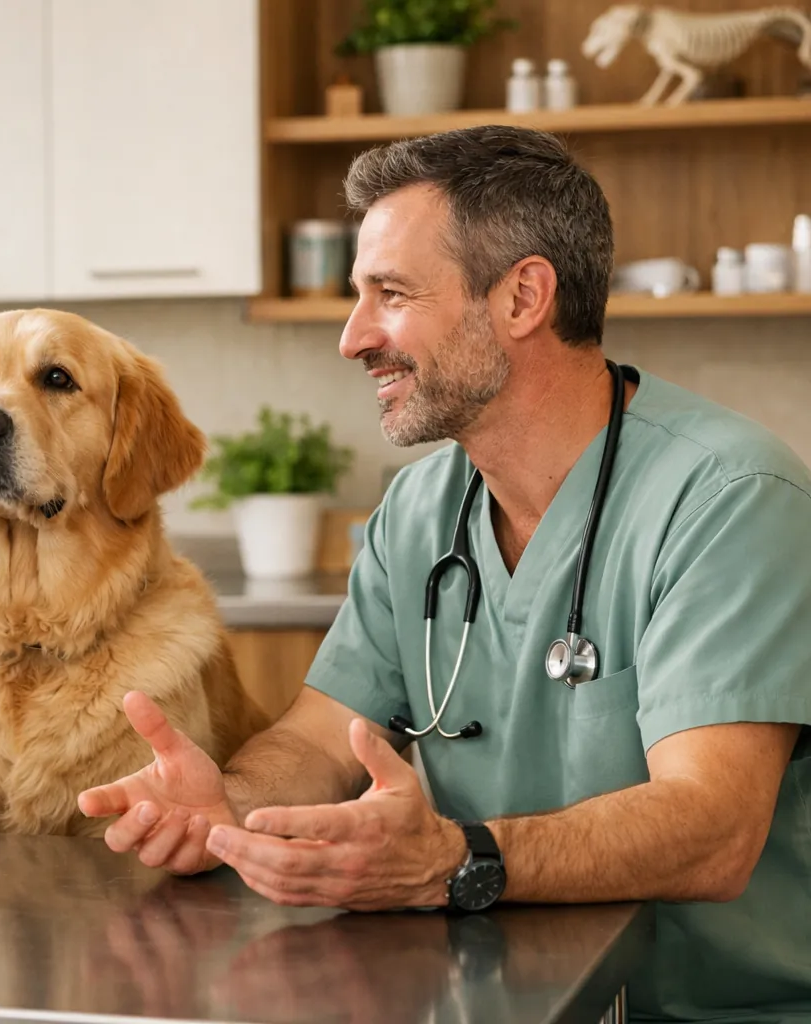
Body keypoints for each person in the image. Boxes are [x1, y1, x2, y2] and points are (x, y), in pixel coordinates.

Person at [79, 126, 811, 1021]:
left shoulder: (732, 499)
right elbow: (321, 741)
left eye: (390, 294)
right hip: (506, 998)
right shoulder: (420, 509)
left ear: (522, 297)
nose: (353, 338)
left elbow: (713, 829)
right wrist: (228, 807)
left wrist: (455, 859)